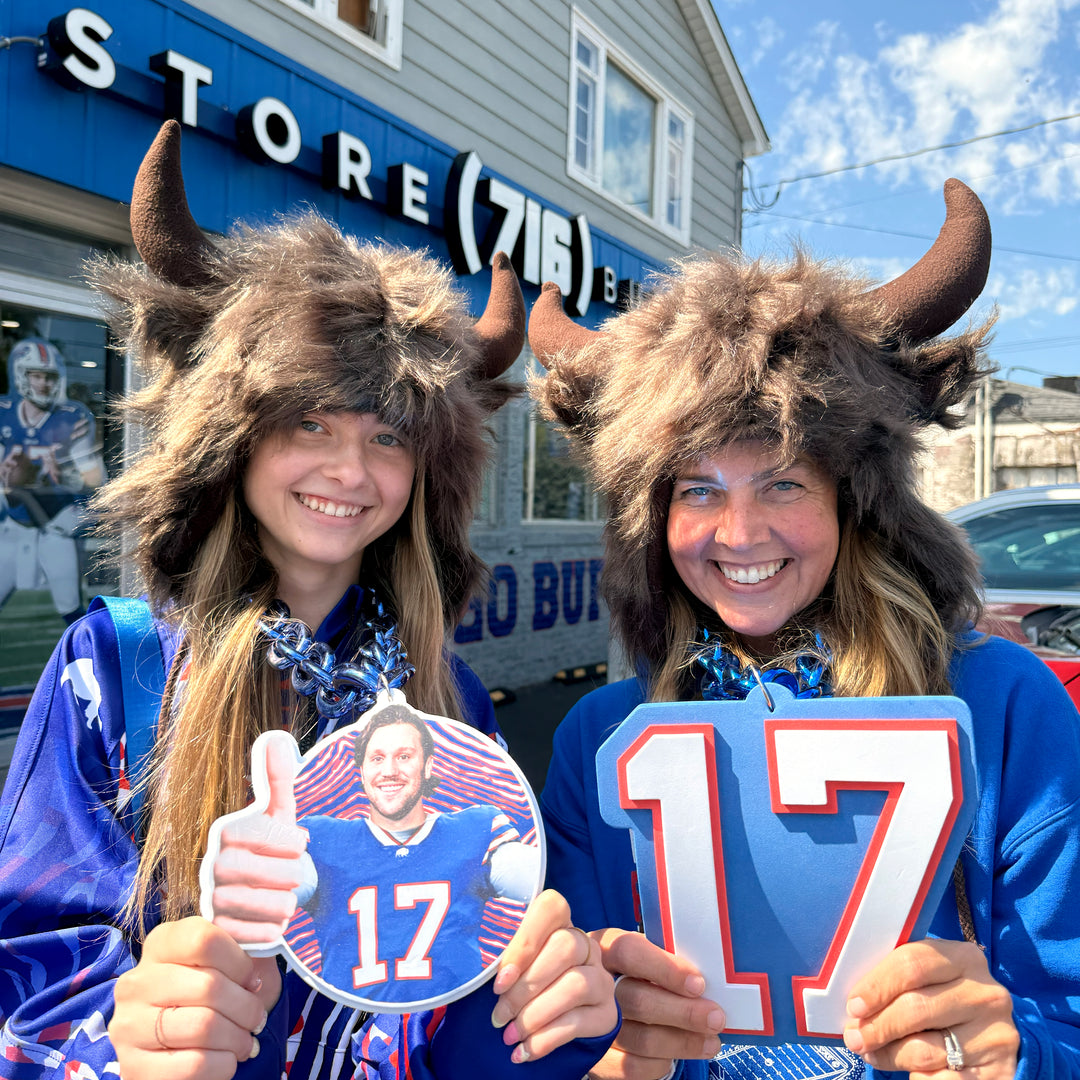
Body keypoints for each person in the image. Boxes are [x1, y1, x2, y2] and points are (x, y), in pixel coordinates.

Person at [0, 120, 618, 1080]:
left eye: (388, 436)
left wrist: (539, 996)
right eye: (308, 420)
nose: (348, 470)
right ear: (234, 440)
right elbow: (30, 953)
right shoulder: (111, 668)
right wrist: (128, 1031)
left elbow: (471, 940)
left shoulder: (447, 694)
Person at [528, 178, 1080, 1080]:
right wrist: (597, 1054)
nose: (740, 535)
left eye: (783, 481)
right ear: (650, 520)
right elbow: (563, 1045)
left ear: (853, 502)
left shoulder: (1004, 706)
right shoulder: (599, 737)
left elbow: (1068, 1015)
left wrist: (1015, 1051)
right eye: (698, 490)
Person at [211, 703, 542, 1002]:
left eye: (404, 756)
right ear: (362, 772)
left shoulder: (475, 828)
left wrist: (543, 887)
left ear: (427, 766)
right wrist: (263, 876)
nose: (390, 770)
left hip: (451, 1027)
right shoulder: (324, 837)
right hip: (344, 1029)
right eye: (378, 758)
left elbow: (525, 874)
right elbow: (294, 879)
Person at [0, 337, 106, 623]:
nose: (44, 384)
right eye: (37, 375)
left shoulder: (69, 419)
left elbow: (97, 482)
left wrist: (65, 474)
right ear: (22, 376)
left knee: (72, 612)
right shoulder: (4, 415)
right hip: (14, 523)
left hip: (56, 523)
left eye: (50, 377)